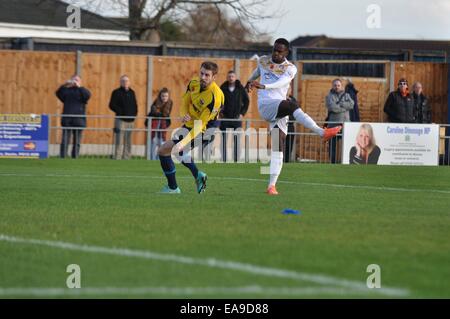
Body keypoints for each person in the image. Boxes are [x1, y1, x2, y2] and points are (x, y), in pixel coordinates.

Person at [246, 38, 342, 195]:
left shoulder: (290, 68)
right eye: (274, 50)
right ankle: (321, 132)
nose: (276, 53)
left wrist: (263, 85)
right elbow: (256, 73)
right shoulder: (263, 60)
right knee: (291, 106)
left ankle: (271, 186)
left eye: (279, 51)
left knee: (279, 144)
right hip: (266, 104)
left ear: (286, 52)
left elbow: (282, 82)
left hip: (279, 107)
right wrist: (249, 82)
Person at [157, 61, 224, 194]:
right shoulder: (194, 83)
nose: (203, 77)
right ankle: (197, 176)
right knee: (168, 151)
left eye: (207, 75)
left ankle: (174, 187)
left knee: (166, 150)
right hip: (191, 125)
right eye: (202, 73)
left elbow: (201, 125)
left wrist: (183, 142)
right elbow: (185, 101)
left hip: (204, 130)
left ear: (214, 77)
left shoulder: (214, 97)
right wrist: (183, 115)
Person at [56, 75, 91, 159]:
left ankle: (75, 156)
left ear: (80, 81)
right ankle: (63, 156)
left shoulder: (82, 91)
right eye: (74, 79)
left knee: (77, 141)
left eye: (77, 80)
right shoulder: (67, 91)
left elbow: (88, 95)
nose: (75, 81)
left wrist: (79, 87)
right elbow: (58, 93)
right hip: (67, 119)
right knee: (65, 140)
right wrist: (65, 84)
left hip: (79, 120)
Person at [220, 70, 249, 162]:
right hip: (225, 118)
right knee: (223, 139)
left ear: (235, 78)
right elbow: (218, 101)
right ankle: (224, 159)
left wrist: (242, 113)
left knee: (237, 140)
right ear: (227, 78)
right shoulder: (222, 88)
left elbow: (247, 101)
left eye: (232, 76)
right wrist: (220, 113)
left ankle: (236, 159)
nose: (231, 78)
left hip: (236, 118)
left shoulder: (240, 88)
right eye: (229, 76)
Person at [109, 75, 138, 160]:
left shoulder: (132, 92)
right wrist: (120, 112)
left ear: (129, 82)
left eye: (127, 81)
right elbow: (111, 105)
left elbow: (135, 105)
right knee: (119, 139)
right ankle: (117, 156)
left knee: (128, 140)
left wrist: (134, 114)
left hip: (131, 121)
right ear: (120, 82)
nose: (125, 83)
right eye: (123, 81)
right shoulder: (116, 92)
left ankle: (127, 156)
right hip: (120, 120)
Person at [325, 79, 355, 164]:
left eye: (338, 85)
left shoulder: (347, 95)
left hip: (345, 124)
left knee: (346, 144)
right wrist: (344, 107)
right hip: (333, 125)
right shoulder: (329, 96)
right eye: (335, 85)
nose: (337, 87)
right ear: (332, 86)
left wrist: (341, 105)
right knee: (332, 145)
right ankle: (333, 162)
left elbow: (352, 104)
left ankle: (345, 162)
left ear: (341, 86)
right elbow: (332, 108)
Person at [145, 88, 173, 160]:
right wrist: (160, 114)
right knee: (154, 142)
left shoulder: (170, 103)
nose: (164, 98)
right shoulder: (156, 102)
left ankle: (160, 159)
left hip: (163, 126)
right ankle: (152, 158)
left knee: (162, 143)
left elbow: (166, 114)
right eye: (163, 96)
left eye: (166, 96)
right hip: (155, 124)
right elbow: (153, 112)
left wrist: (161, 115)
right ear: (160, 96)